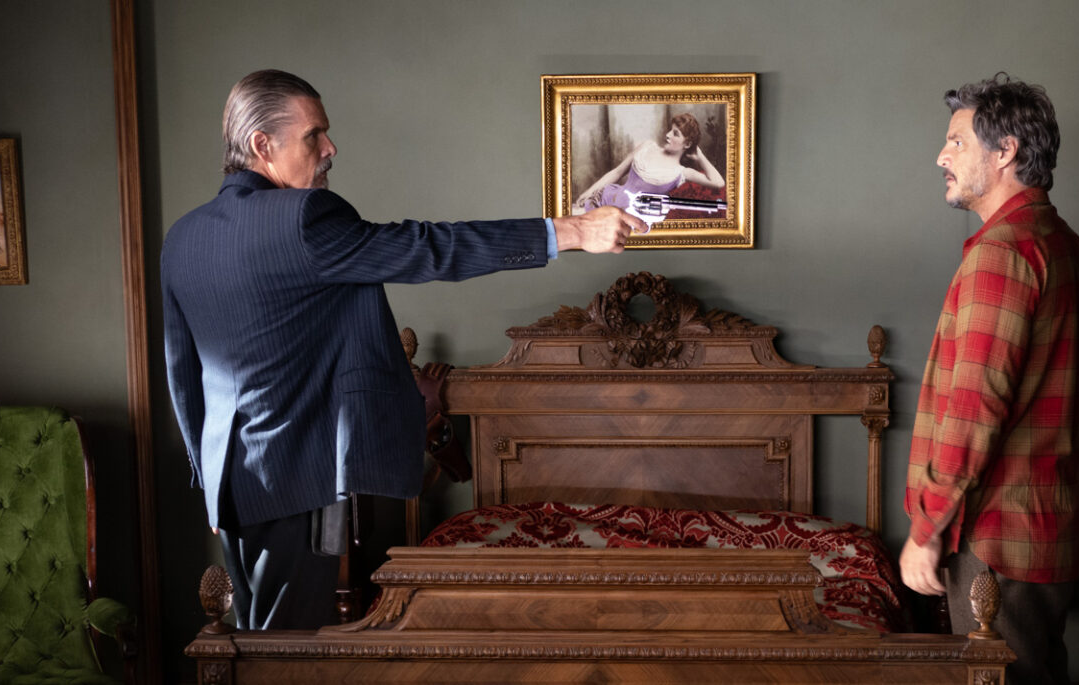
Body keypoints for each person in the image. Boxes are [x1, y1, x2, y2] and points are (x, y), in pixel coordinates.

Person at [162, 69, 645, 630]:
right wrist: (571, 232)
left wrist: (209, 479)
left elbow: (183, 371)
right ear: (262, 146)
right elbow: (427, 248)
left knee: (253, 641)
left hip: (232, 483)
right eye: (313, 136)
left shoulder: (184, 236)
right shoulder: (302, 220)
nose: (330, 148)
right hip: (300, 480)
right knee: (288, 656)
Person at [899, 73, 1079, 685]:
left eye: (956, 142)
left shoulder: (1004, 252)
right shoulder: (1058, 241)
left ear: (1005, 150)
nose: (941, 156)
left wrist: (926, 528)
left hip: (998, 537)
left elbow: (972, 410)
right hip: (1039, 525)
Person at [574, 112, 723, 213]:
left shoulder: (682, 172)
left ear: (687, 144)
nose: (667, 135)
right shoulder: (647, 146)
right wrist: (588, 193)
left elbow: (718, 183)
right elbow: (617, 172)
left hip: (629, 219)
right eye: (670, 130)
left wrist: (700, 156)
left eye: (675, 133)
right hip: (603, 201)